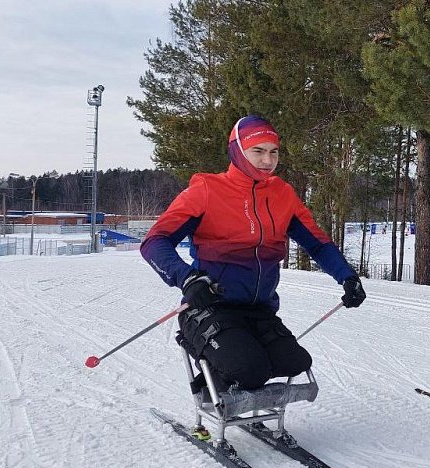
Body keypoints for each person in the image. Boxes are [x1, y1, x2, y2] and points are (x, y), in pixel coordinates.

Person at [140, 115, 366, 391]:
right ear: (237, 150)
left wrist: (347, 277)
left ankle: (234, 368)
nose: (267, 160)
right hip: (211, 307)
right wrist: (187, 278)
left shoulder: (283, 194)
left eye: (273, 152)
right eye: (257, 151)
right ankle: (211, 372)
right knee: (250, 369)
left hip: (260, 309)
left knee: (294, 362)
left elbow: (317, 244)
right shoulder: (207, 191)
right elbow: (154, 241)